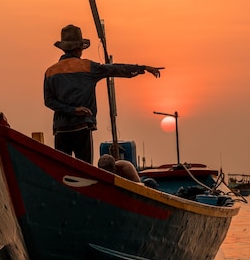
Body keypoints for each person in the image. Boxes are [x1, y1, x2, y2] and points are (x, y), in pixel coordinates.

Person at [44, 24, 162, 164]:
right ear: (79, 49)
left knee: (63, 168)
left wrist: (70, 110)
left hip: (60, 129)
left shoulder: (50, 71)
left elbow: (49, 101)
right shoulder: (88, 67)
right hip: (81, 126)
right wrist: (142, 68)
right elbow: (115, 69)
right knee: (85, 168)